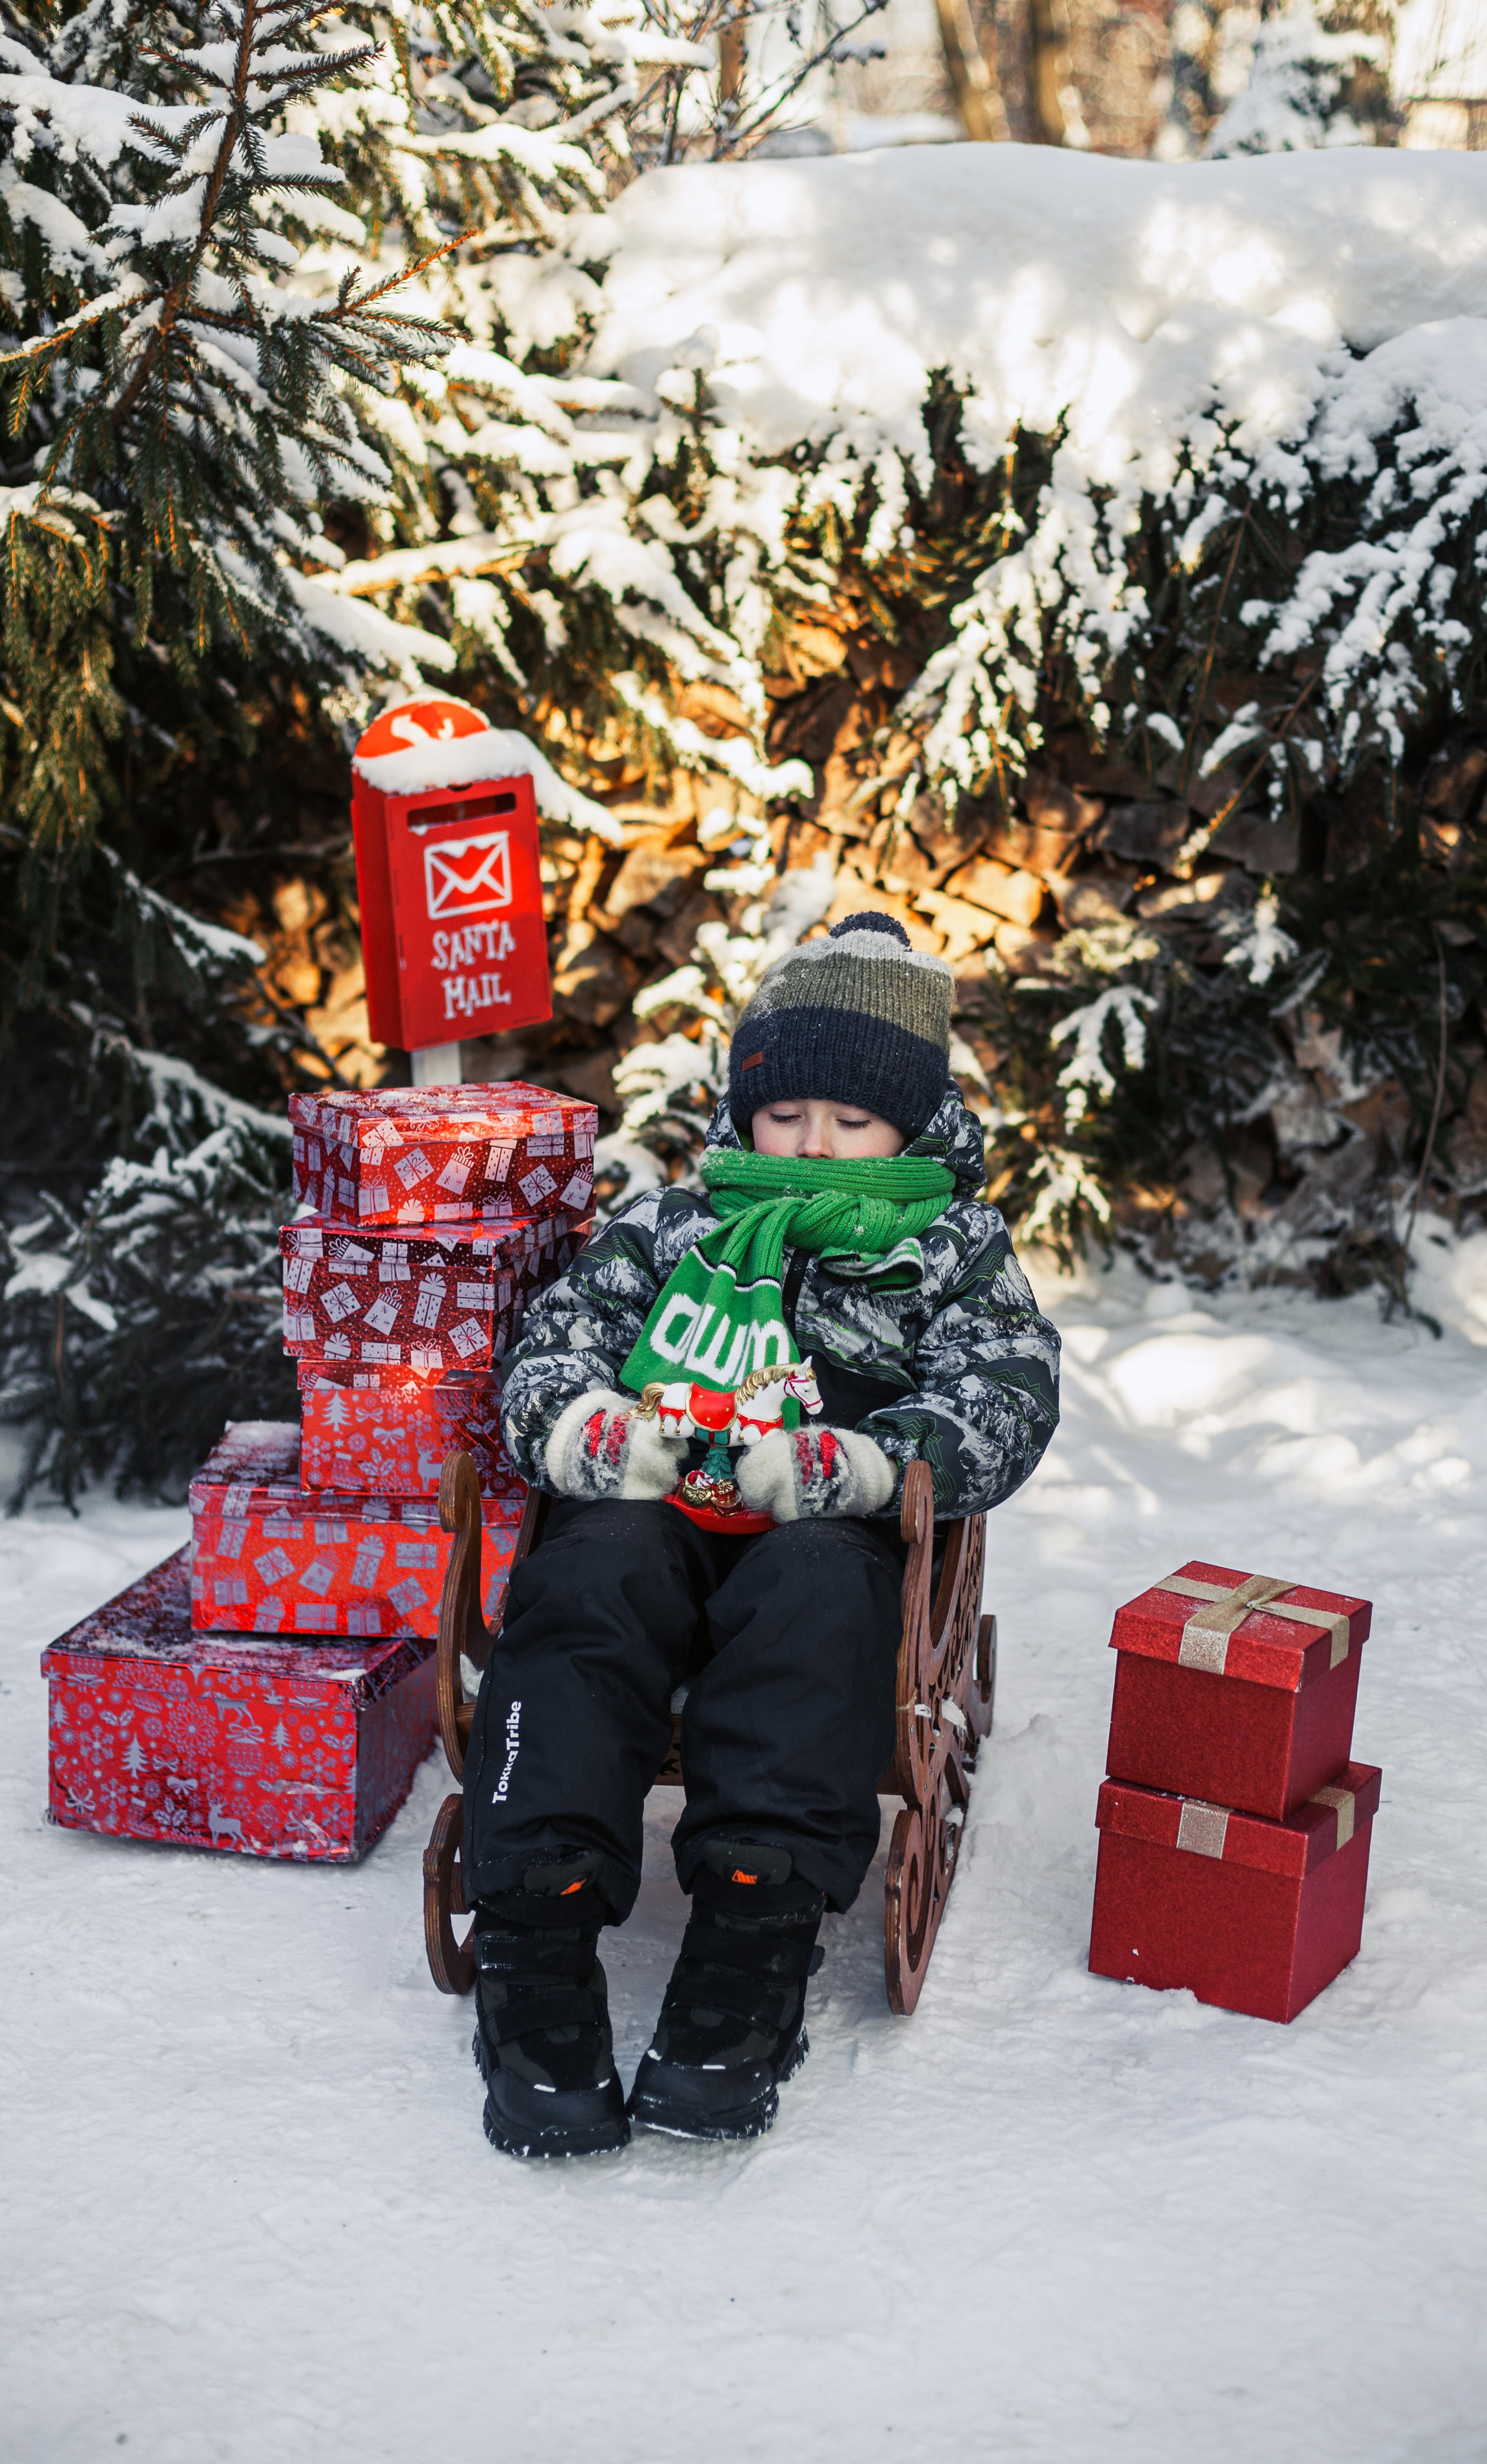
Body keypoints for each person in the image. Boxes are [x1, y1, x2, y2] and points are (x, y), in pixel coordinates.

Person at [460, 912, 1062, 2156]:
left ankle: (752, 1925)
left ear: (913, 1119)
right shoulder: (677, 1220)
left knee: (814, 1599)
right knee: (593, 1573)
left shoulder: (948, 1245)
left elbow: (1006, 1385)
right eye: (787, 1115)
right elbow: (559, 1336)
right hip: (662, 1491)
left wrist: (870, 1463)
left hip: (821, 1510)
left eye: (852, 1120)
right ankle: (536, 1919)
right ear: (747, 1107)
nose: (814, 1143)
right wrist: (598, 1432)